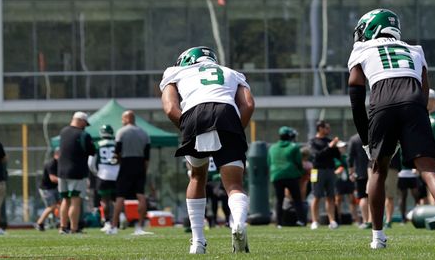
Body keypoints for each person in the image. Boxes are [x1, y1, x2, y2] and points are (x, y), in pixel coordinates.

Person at [347, 8, 435, 250]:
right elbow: (424, 89)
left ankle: (378, 236)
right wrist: (417, 114)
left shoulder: (362, 49)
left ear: (371, 28)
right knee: (429, 168)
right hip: (414, 102)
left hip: (383, 100)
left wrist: (367, 140)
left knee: (378, 170)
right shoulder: (415, 50)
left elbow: (356, 96)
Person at [160, 45, 256, 255]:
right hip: (227, 112)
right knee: (234, 185)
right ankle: (238, 223)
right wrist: (234, 129)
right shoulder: (231, 72)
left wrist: (188, 128)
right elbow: (248, 104)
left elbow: (169, 107)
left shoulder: (175, 72)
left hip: (194, 114)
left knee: (197, 177)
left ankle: (198, 242)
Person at [56, 111, 96, 235]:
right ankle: (74, 228)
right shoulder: (83, 134)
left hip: (62, 172)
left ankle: (63, 227)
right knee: (75, 200)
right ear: (81, 121)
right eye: (85, 123)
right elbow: (92, 151)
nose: (85, 126)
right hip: (77, 172)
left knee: (64, 199)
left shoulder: (63, 132)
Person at [114, 110, 152, 236]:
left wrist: (120, 163)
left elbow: (116, 152)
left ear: (126, 119)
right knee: (141, 195)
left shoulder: (121, 132)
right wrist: (144, 170)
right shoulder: (144, 133)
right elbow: (147, 156)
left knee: (120, 196)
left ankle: (114, 226)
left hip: (126, 163)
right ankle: (140, 226)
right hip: (140, 164)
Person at [308, 120, 342, 230]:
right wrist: (329, 146)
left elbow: (337, 156)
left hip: (330, 170)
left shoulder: (329, 141)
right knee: (316, 196)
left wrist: (336, 147)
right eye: (327, 128)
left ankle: (332, 220)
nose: (329, 130)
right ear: (320, 128)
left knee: (331, 196)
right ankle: (314, 221)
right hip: (317, 171)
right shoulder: (313, 141)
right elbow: (316, 156)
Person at [269, 126, 305, 227]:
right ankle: (301, 220)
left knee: (279, 200)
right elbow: (298, 162)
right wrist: (300, 173)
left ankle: (279, 223)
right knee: (297, 199)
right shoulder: (294, 147)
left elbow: (269, 162)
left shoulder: (272, 147)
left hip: (276, 176)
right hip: (291, 175)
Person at [89, 124, 120, 234]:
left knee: (105, 200)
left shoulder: (97, 144)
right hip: (116, 174)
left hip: (104, 174)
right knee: (117, 200)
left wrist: (96, 172)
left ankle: (107, 222)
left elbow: (91, 163)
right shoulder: (117, 143)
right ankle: (119, 220)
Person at [345, 133, 370, 228]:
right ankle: (373, 221)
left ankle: (365, 221)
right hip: (374, 171)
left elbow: (350, 157)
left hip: (360, 173)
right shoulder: (373, 136)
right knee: (373, 196)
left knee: (363, 197)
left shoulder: (354, 139)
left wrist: (351, 172)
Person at [35, 152, 60, 232]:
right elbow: (52, 178)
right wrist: (65, 181)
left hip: (54, 188)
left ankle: (62, 223)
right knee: (51, 206)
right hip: (47, 189)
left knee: (60, 205)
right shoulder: (51, 163)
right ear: (56, 154)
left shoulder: (60, 163)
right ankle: (39, 223)